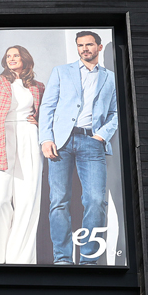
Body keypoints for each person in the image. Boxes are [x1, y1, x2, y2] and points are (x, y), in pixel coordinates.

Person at [39, 31, 118, 264]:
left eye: (89, 44)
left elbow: (115, 112)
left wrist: (102, 136)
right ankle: (62, 258)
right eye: (80, 45)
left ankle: (88, 259)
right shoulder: (61, 72)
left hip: (92, 142)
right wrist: (46, 138)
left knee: (95, 200)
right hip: (60, 143)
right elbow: (48, 106)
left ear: (99, 47)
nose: (84, 49)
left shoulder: (110, 78)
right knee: (59, 201)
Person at [0, 45, 45, 264]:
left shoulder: (37, 86)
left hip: (29, 137)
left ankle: (21, 259)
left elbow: (47, 113)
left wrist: (39, 122)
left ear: (25, 59)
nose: (11, 59)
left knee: (28, 200)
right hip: (1, 137)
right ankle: (2, 250)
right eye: (8, 56)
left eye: (16, 55)